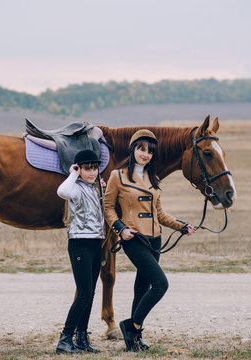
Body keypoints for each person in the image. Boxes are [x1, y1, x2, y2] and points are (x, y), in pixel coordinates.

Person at [103, 129, 196, 352]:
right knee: (161, 284)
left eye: (150, 151)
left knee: (142, 289)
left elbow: (159, 214)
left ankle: (134, 340)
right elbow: (107, 207)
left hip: (155, 240)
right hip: (133, 238)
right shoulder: (118, 176)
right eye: (141, 149)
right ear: (133, 149)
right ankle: (131, 326)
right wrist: (120, 229)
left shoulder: (153, 178)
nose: (145, 155)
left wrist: (181, 226)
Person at [55, 149, 107, 354]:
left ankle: (82, 338)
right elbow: (62, 191)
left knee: (90, 294)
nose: (92, 172)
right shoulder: (75, 188)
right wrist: (73, 173)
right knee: (84, 294)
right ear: (80, 169)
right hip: (80, 244)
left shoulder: (95, 189)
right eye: (87, 169)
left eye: (94, 168)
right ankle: (65, 339)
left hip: (96, 244)